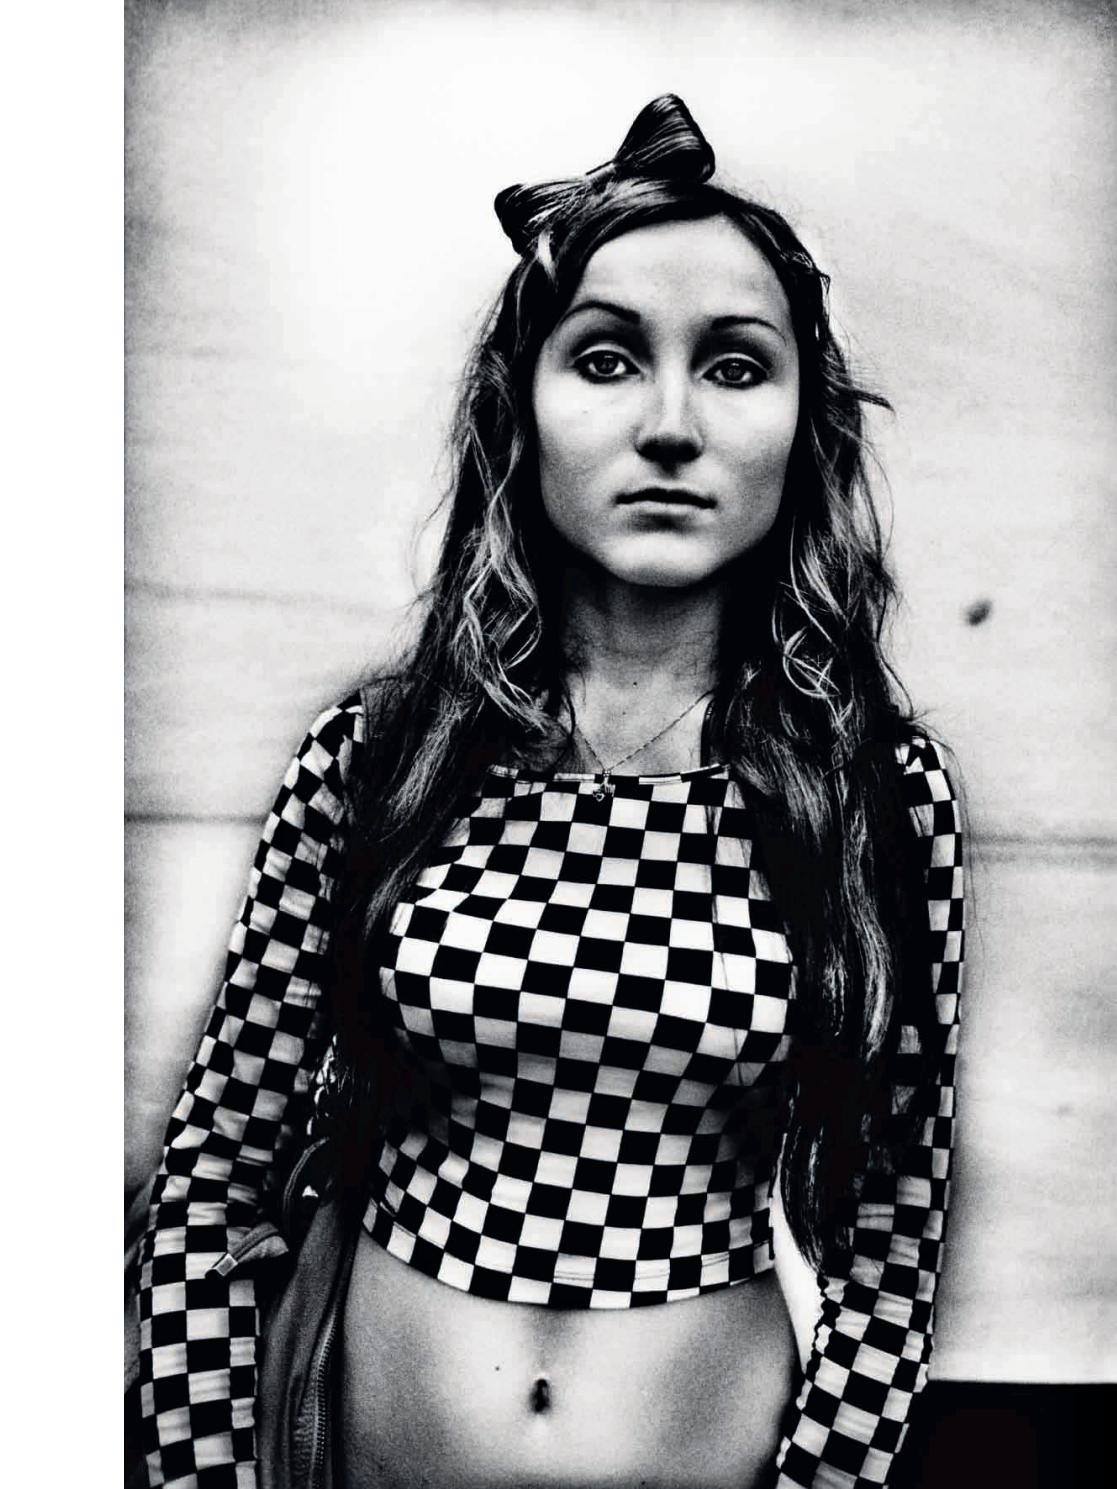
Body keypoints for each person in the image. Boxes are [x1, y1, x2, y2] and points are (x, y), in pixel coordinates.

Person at [138, 95, 965, 1488]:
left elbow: (892, 1239)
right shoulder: (380, 758)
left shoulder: (873, 793)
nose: (668, 423)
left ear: (800, 425)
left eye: (735, 367)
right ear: (518, 406)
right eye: (605, 357)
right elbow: (211, 1185)